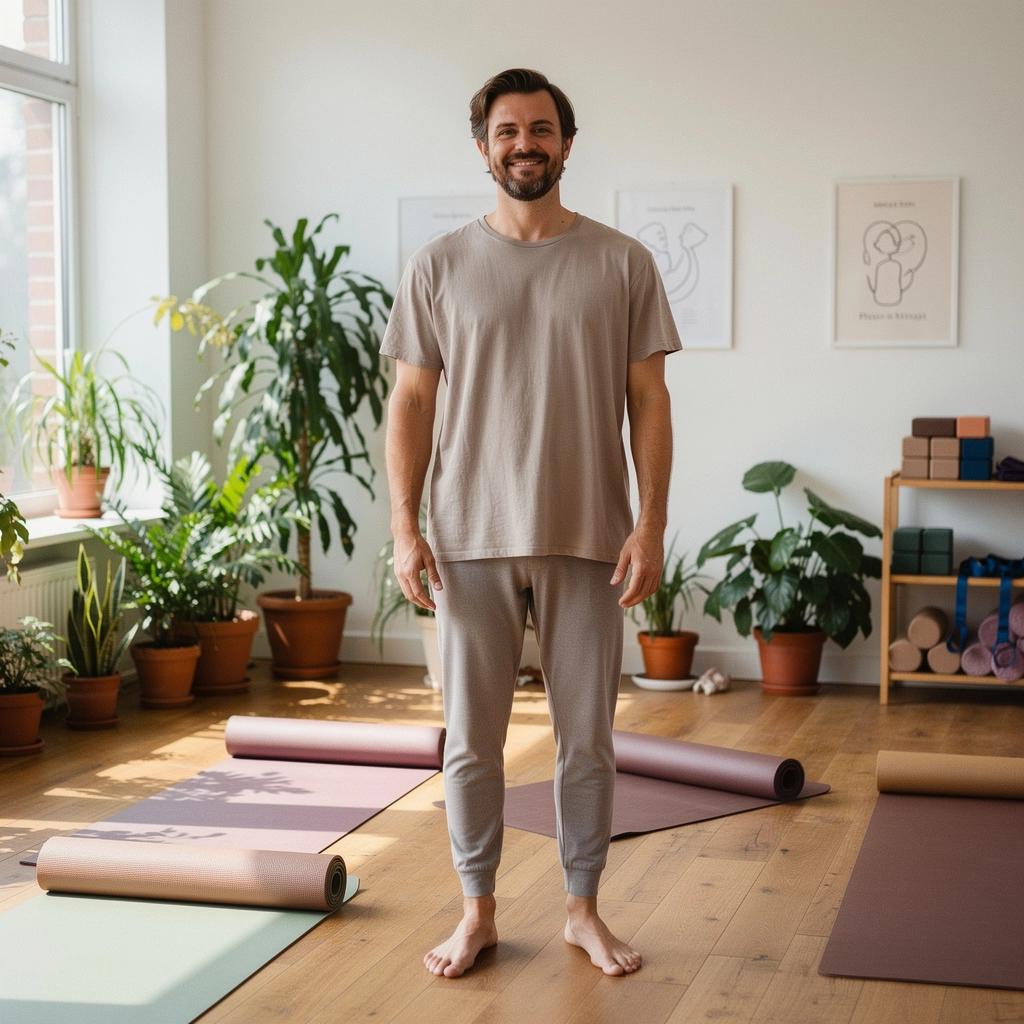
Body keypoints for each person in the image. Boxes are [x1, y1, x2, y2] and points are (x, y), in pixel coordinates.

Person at [380, 68, 682, 979]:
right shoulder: (438, 265)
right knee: (472, 741)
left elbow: (650, 401)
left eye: (541, 129)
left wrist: (652, 523)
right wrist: (405, 526)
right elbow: (409, 403)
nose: (525, 144)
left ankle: (583, 909)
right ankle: (477, 911)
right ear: (484, 147)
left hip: (591, 534)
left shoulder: (622, 261)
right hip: (467, 537)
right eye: (507, 130)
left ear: (566, 142)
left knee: (585, 737)